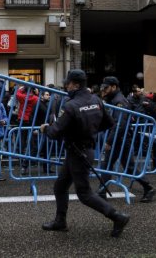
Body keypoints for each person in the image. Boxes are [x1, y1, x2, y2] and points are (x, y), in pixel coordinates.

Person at [40, 69, 130, 238]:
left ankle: (117, 216)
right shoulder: (96, 100)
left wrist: (45, 128)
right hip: (83, 150)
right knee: (60, 186)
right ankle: (60, 221)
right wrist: (89, 131)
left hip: (78, 152)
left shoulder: (70, 105)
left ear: (76, 84)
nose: (66, 86)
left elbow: (54, 133)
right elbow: (109, 123)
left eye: (68, 83)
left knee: (84, 193)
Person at [100, 76, 156, 203]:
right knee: (107, 164)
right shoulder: (113, 99)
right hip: (118, 138)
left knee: (126, 166)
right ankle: (101, 192)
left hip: (121, 139)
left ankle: (149, 187)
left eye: (106, 88)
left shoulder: (119, 101)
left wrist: (109, 140)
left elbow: (120, 123)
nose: (104, 91)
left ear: (114, 87)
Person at [16, 85, 39, 175]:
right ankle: (25, 164)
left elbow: (18, 93)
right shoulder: (35, 98)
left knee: (22, 143)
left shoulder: (21, 96)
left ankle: (22, 162)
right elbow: (38, 98)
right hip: (31, 121)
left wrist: (21, 87)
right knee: (32, 145)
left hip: (22, 120)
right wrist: (37, 92)